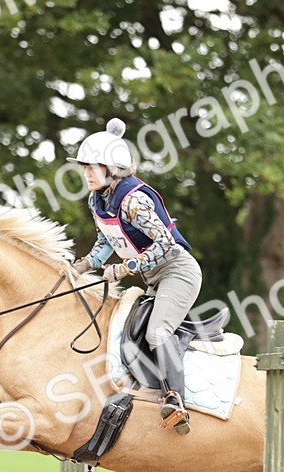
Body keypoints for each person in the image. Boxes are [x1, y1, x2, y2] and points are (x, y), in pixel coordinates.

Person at [68, 118, 201, 435]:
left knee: (156, 333)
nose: (86, 173)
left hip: (177, 271)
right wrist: (81, 267)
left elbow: (166, 245)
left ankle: (175, 402)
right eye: (85, 167)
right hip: (153, 278)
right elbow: (106, 243)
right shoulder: (97, 200)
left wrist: (126, 268)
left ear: (112, 169)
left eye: (93, 167)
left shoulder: (134, 201)